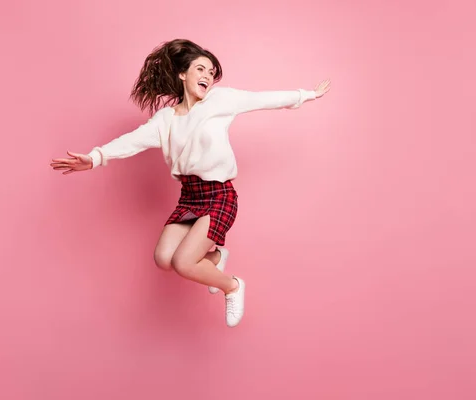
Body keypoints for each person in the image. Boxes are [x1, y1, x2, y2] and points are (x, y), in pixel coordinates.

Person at [50, 39, 331, 327]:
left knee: (184, 263)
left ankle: (232, 286)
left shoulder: (219, 101)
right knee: (164, 259)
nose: (208, 76)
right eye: (201, 69)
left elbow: (262, 99)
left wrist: (306, 95)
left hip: (220, 194)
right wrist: (96, 158)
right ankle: (217, 255)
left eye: (211, 72)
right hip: (189, 197)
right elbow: (132, 141)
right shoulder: (166, 119)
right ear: (183, 74)